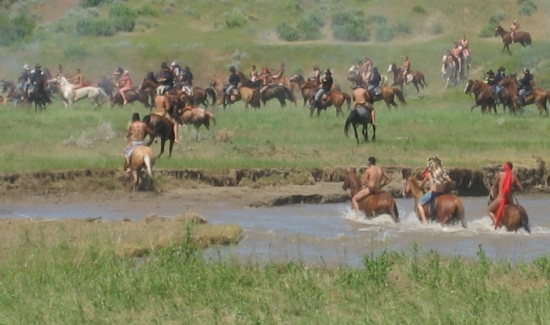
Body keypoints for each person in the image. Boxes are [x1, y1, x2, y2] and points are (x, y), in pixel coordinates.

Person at [417, 156, 453, 225]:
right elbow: (450, 180)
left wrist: (419, 185)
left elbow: (421, 185)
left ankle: (424, 221)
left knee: (419, 205)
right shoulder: (441, 173)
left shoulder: (428, 174)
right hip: (441, 193)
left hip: (433, 193)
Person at [487, 162, 524, 227]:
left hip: (500, 199)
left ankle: (497, 225)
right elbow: (522, 189)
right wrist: (512, 190)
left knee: (489, 211)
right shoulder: (514, 176)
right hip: (510, 200)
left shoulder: (500, 174)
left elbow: (495, 186)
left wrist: (495, 196)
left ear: (505, 167)